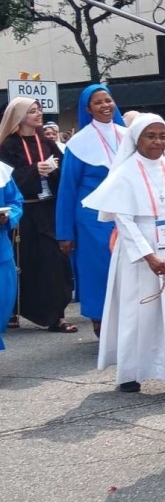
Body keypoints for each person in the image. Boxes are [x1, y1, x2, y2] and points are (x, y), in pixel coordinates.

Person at [82, 114, 165, 398]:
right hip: (139, 249)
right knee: (139, 311)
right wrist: (148, 255)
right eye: (150, 136)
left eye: (162, 135)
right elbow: (123, 220)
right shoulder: (124, 174)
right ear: (136, 139)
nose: (157, 142)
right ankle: (131, 371)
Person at [56, 84, 127, 338]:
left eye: (108, 100)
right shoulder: (78, 143)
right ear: (88, 109)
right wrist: (65, 232)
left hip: (125, 213)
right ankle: (100, 319)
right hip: (92, 219)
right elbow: (67, 190)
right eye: (98, 102)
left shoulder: (128, 135)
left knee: (128, 269)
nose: (105, 105)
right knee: (99, 269)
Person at [0, 98, 74, 333]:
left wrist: (53, 171)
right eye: (32, 111)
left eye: (39, 110)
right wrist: (34, 171)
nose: (38, 114)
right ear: (19, 117)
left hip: (47, 209)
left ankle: (56, 315)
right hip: (23, 212)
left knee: (54, 261)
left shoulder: (47, 143)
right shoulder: (8, 146)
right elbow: (7, 181)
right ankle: (14, 309)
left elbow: (64, 175)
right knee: (22, 261)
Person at [0, 163, 23, 351]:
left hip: (1, 252)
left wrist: (8, 217)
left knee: (2, 306)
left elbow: (15, 201)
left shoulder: (2, 170)